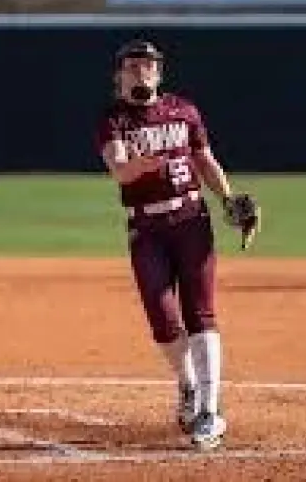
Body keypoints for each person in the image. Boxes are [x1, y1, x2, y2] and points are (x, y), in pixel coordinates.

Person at [93, 39, 260, 451]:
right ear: (120, 75)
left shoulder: (184, 111)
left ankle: (209, 410)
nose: (141, 72)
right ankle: (187, 384)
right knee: (163, 318)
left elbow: (205, 159)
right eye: (132, 66)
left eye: (148, 66)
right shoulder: (113, 120)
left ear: (159, 72)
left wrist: (227, 197)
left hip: (192, 222)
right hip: (146, 228)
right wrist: (142, 165)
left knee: (200, 313)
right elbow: (118, 169)